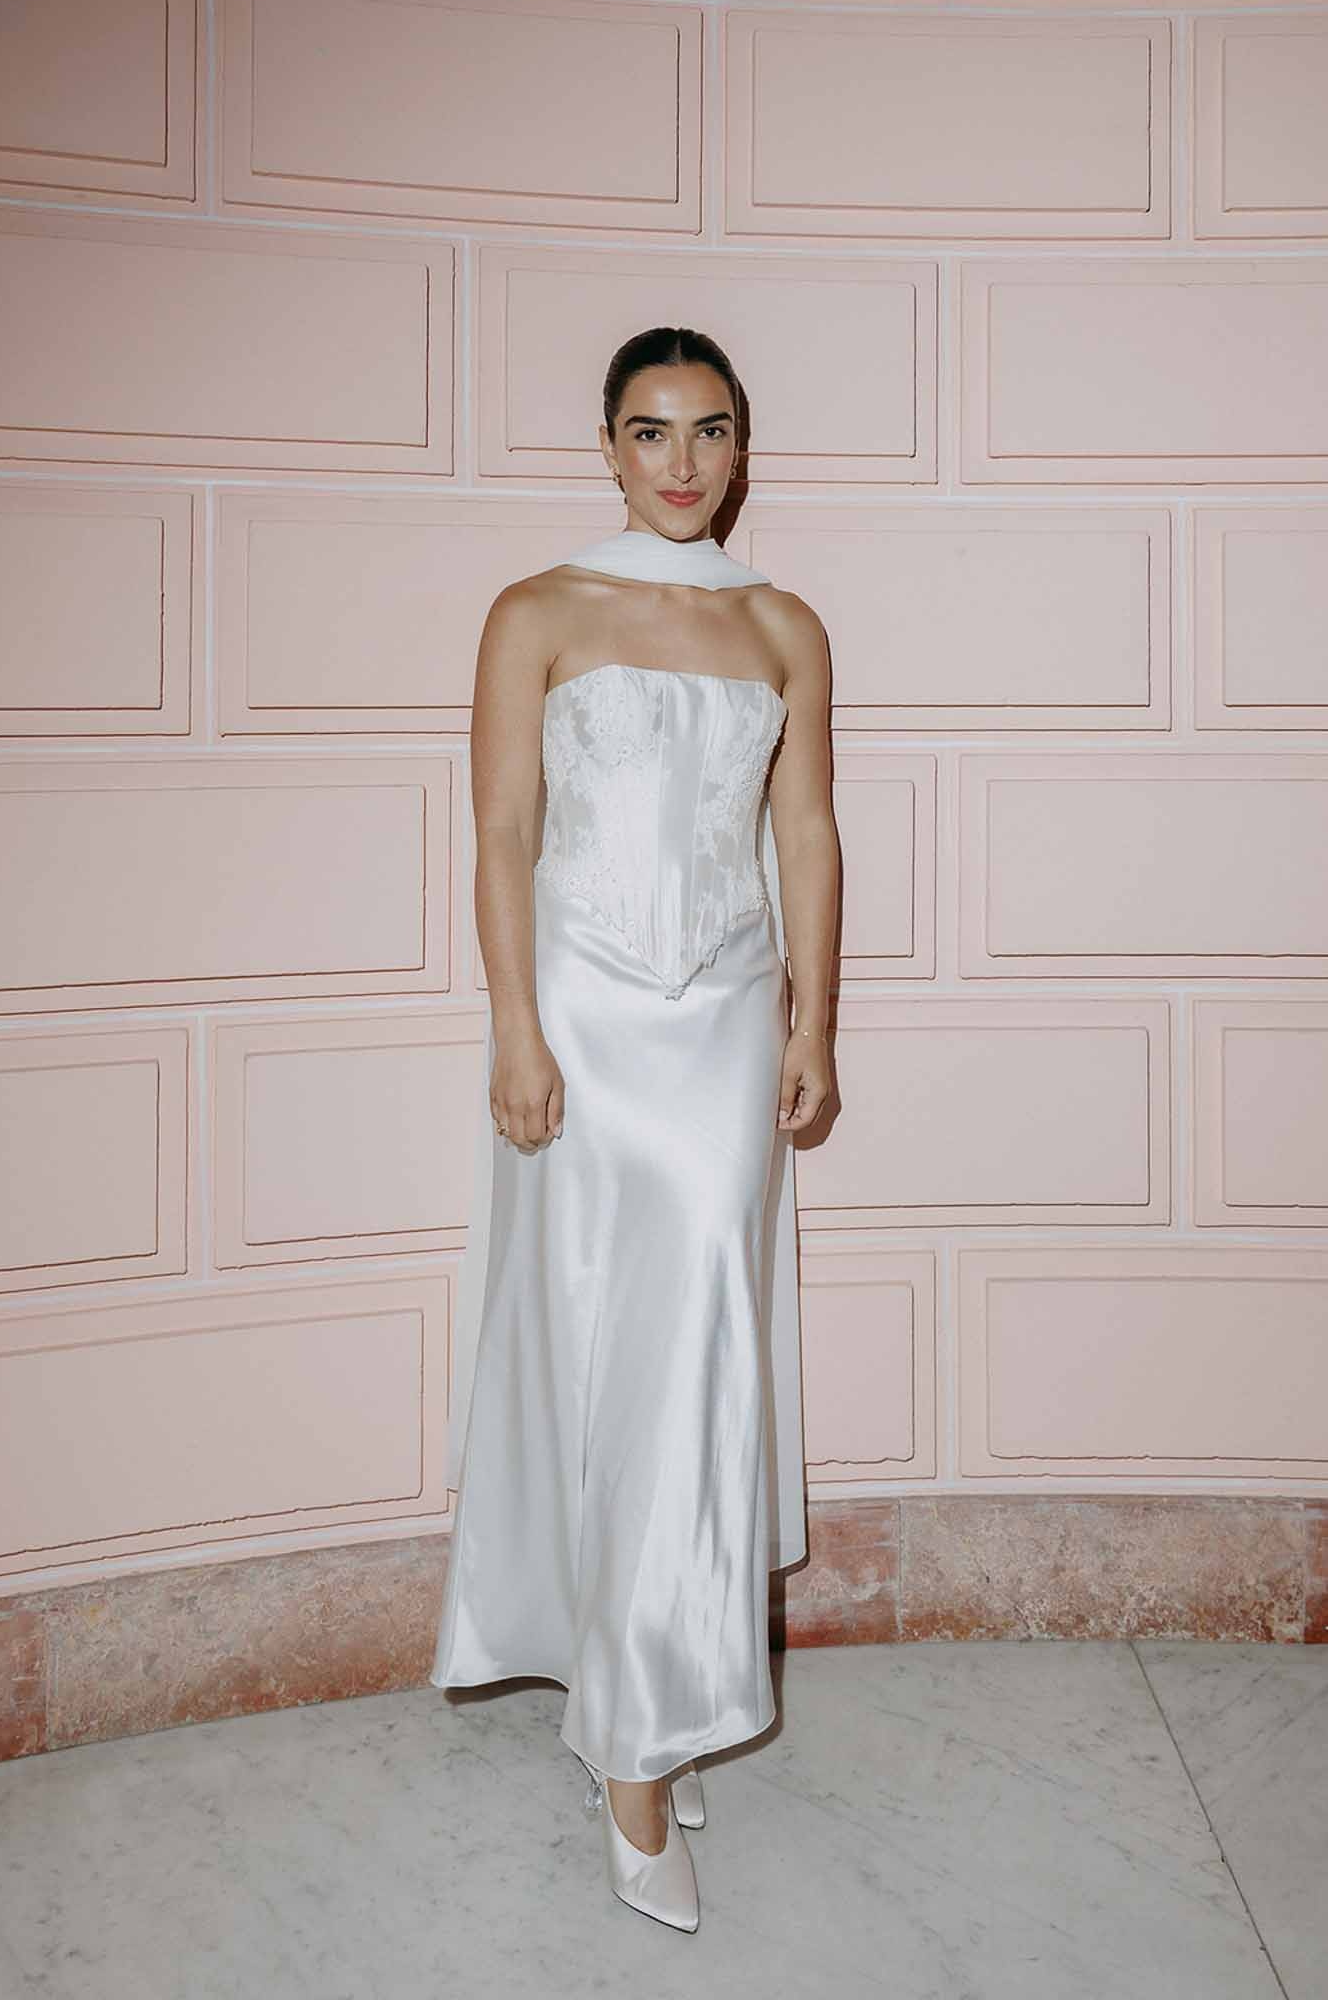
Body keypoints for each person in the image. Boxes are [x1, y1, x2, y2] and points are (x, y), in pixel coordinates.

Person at [430, 324, 837, 1932]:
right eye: (650, 430)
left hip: (727, 1023)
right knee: (598, 1345)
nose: (681, 463)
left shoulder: (785, 625)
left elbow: (803, 828)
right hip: (586, 1023)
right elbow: (504, 826)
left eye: (712, 431)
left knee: (702, 1343)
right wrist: (513, 1026)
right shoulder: (534, 610)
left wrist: (812, 1018)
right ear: (604, 443)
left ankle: (642, 1691)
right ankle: (627, 1748)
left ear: (744, 448)